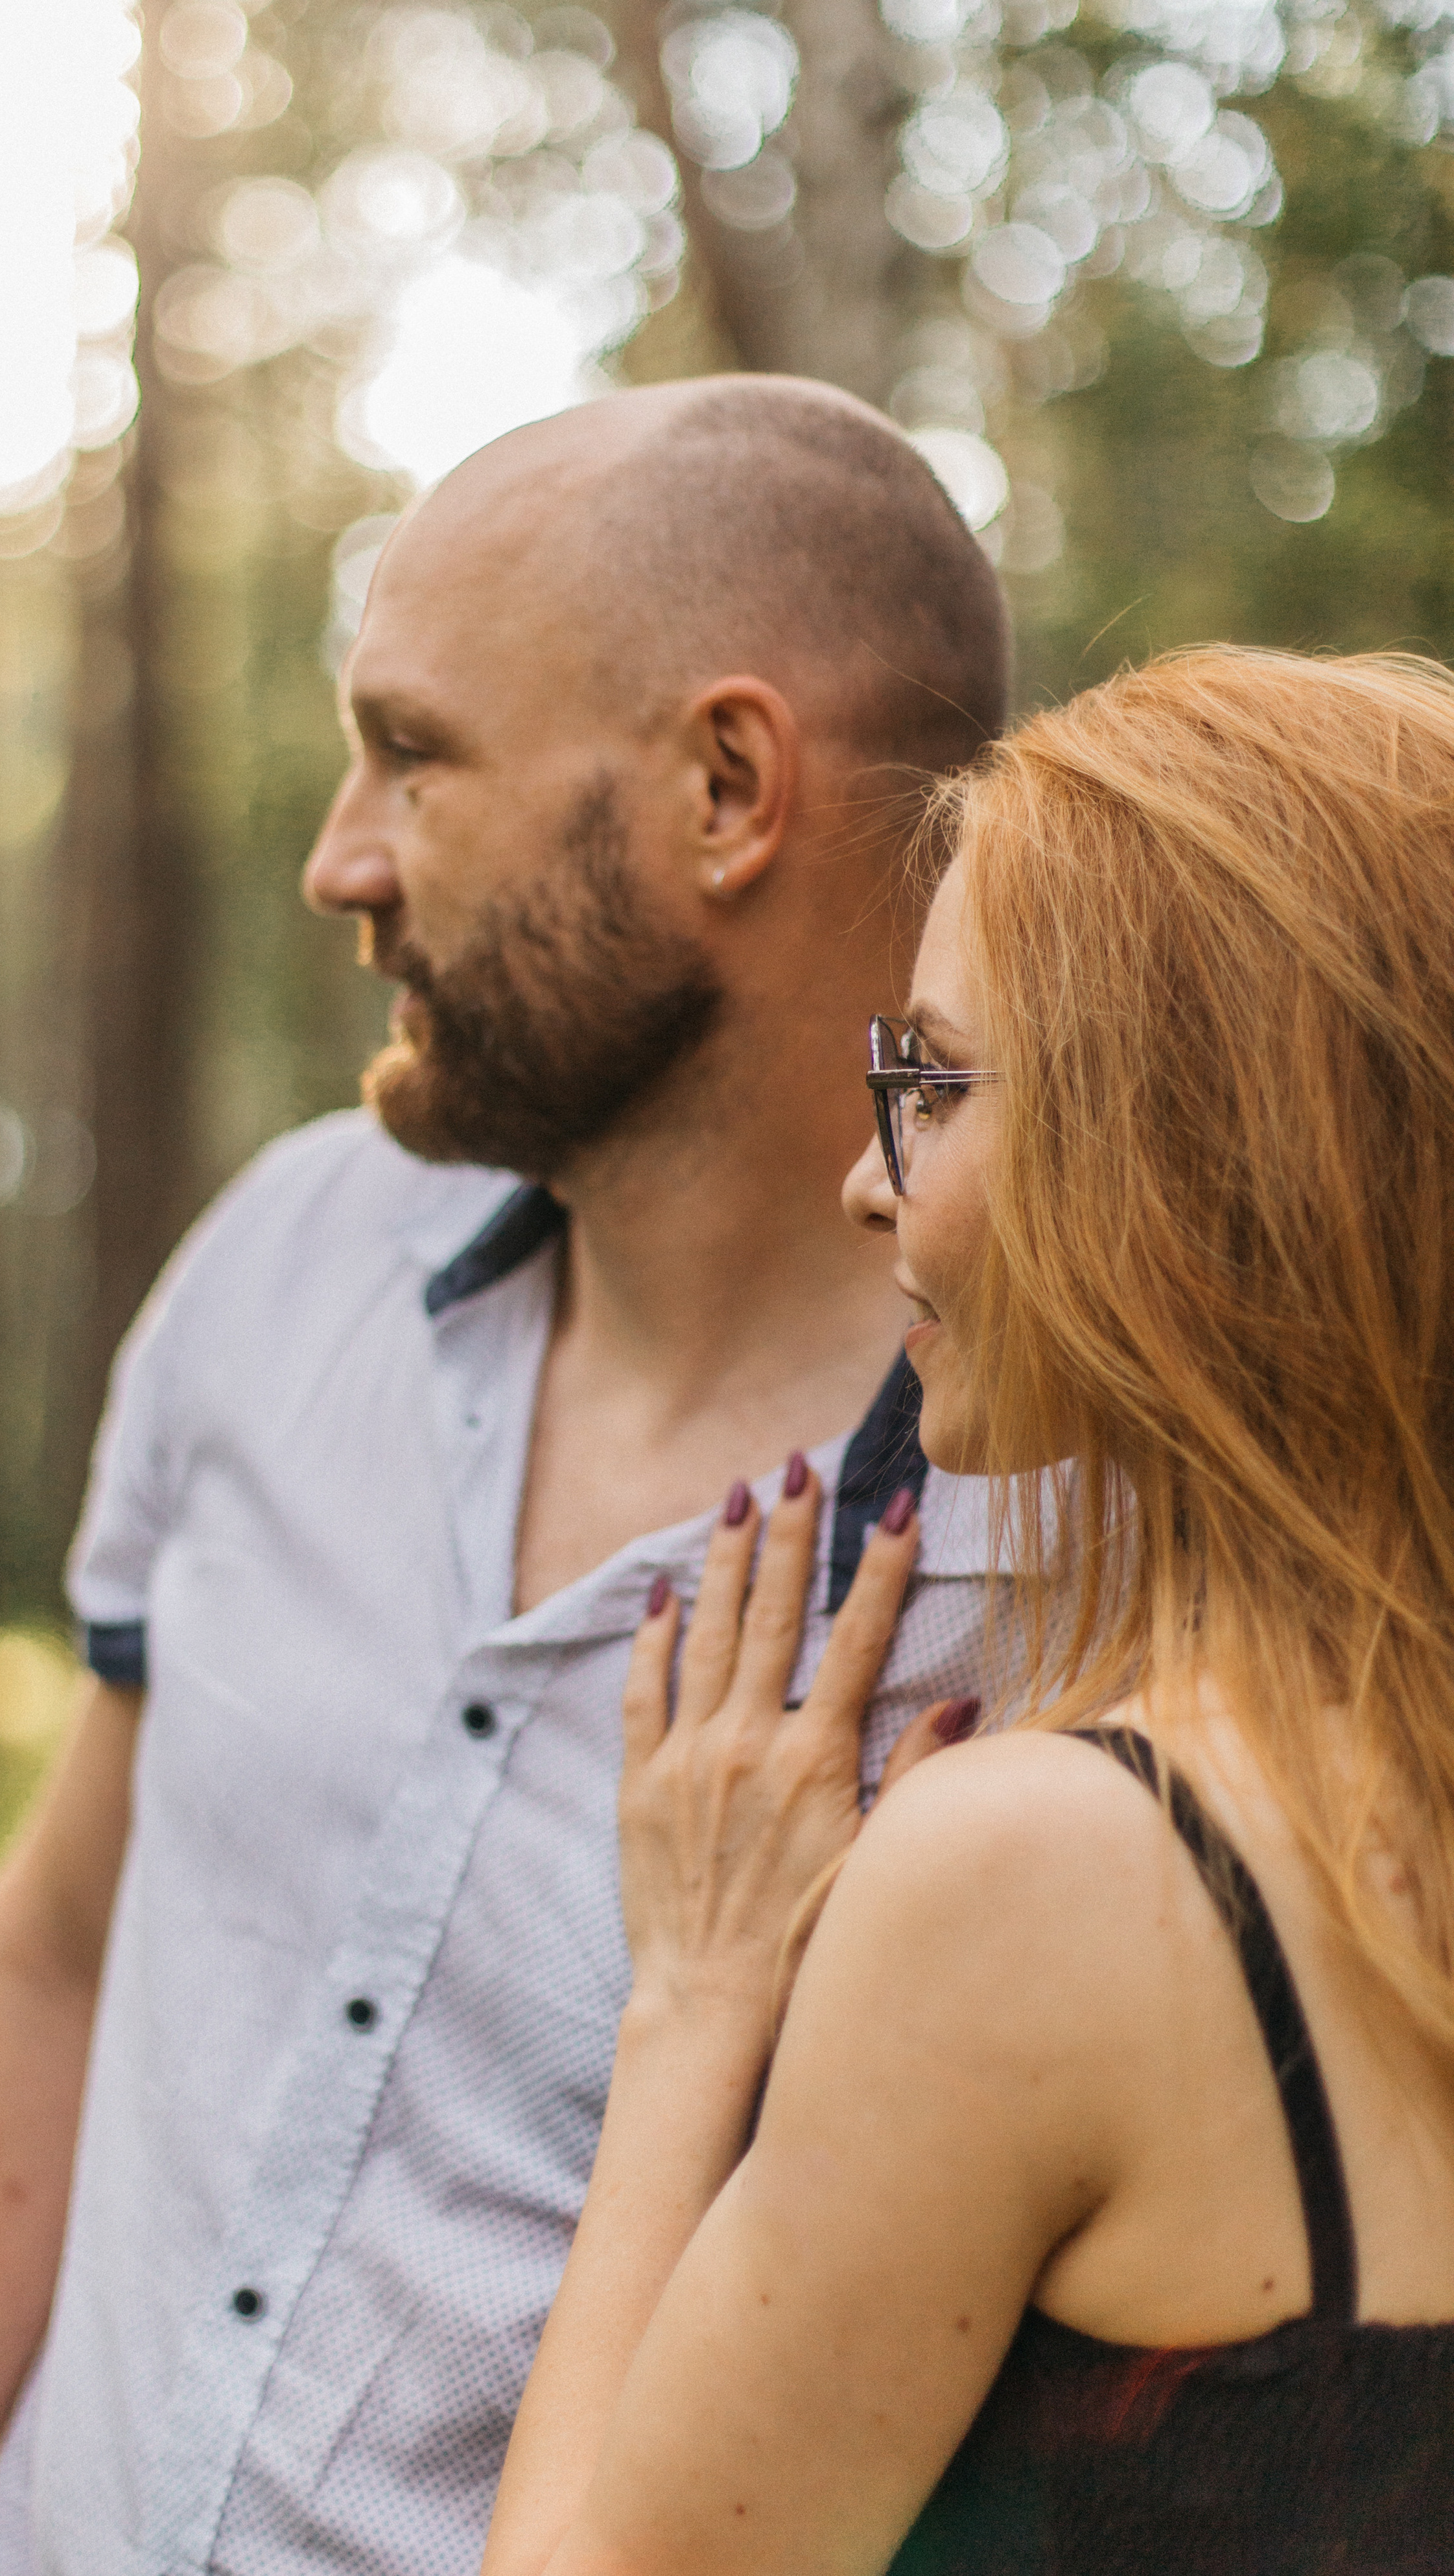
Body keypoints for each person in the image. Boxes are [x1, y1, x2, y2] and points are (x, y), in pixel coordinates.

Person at [0, 376, 1011, 2576]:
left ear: (727, 789)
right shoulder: (283, 1257)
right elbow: (56, 1953)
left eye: (414, 753)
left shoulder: (1087, 1554)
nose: (339, 858)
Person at [480, 646, 1454, 2576]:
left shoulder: (1059, 1875)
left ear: (1193, 1149)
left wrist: (693, 2001)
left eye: (929, 1080)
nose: (872, 1180)